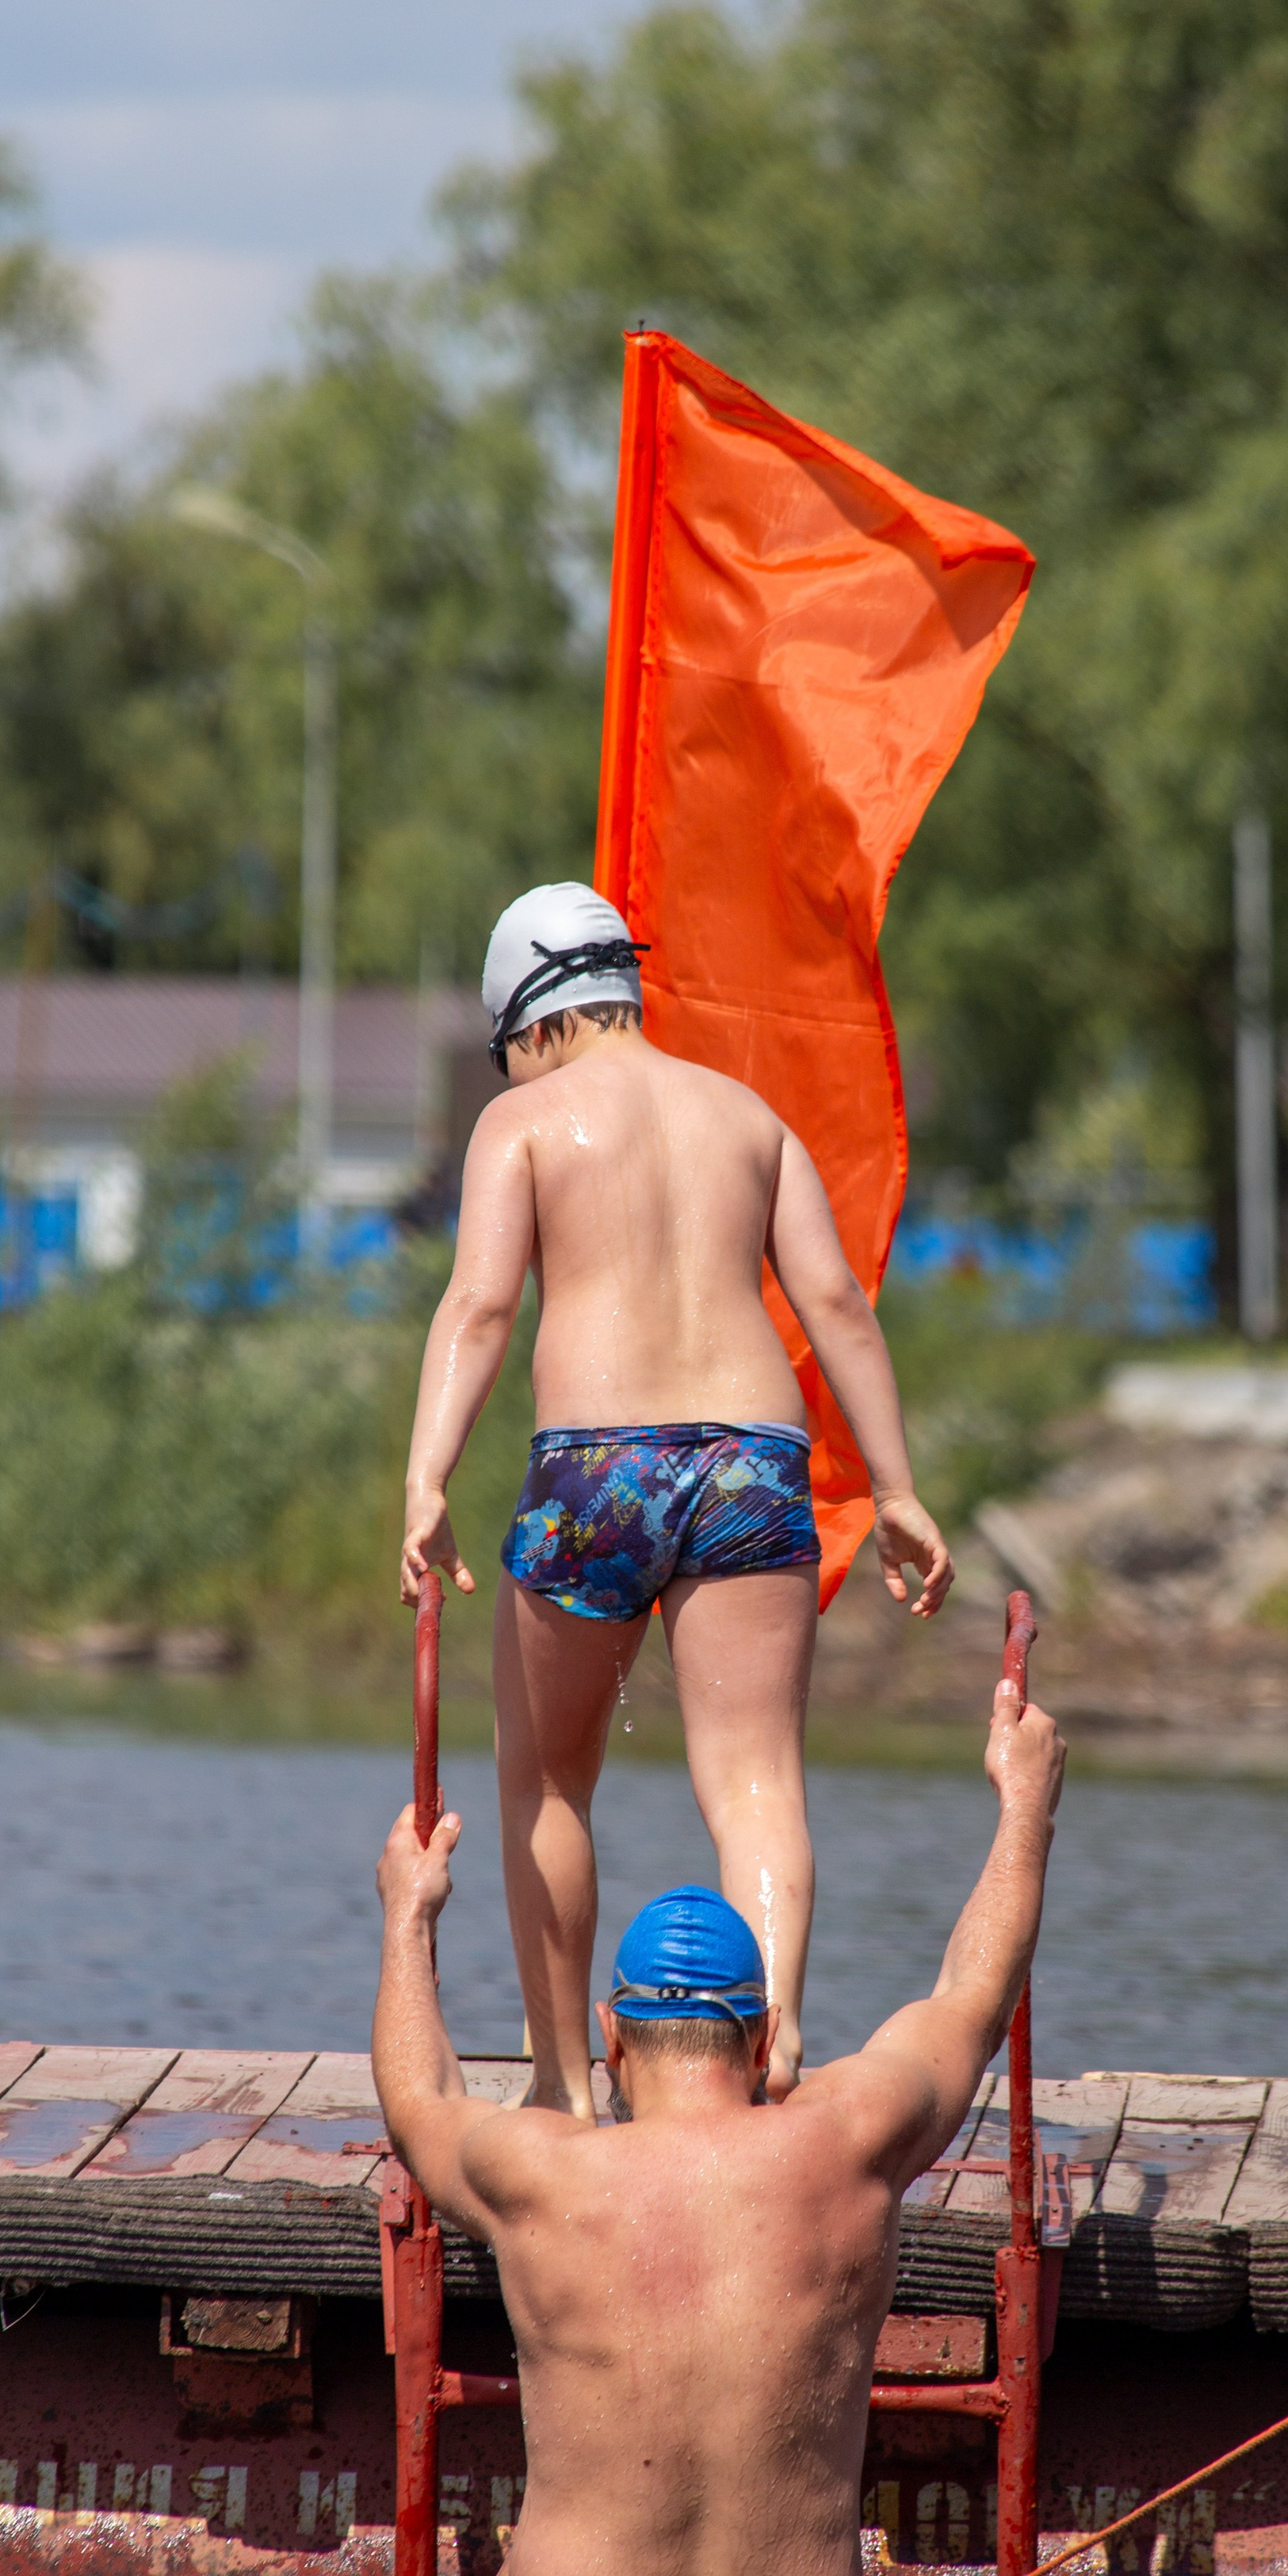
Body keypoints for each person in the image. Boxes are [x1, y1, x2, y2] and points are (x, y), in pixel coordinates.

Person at [370, 1670, 1064, 2576]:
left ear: (611, 2039)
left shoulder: (541, 2174)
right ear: (761, 2036)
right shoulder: (849, 2141)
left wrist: (407, 1916)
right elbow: (973, 1994)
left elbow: (418, 2098)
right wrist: (1024, 1807)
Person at [400, 881, 954, 2115]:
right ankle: (775, 2050)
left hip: (596, 1469)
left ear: (535, 1023)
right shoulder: (751, 1120)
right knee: (758, 1783)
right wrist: (898, 1487)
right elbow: (836, 1302)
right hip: (754, 1460)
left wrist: (427, 1477)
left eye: (505, 1052)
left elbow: (480, 1307)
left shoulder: (523, 1124)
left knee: (548, 1781)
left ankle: (563, 2086)